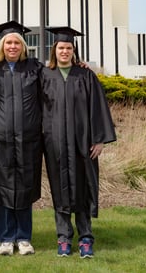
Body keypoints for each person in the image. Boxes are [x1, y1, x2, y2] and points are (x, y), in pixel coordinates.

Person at [41, 26, 116, 259]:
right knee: (59, 189)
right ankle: (63, 237)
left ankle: (85, 237)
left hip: (83, 144)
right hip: (55, 144)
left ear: (74, 51)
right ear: (54, 49)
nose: (65, 51)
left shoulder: (85, 75)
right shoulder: (44, 75)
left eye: (69, 48)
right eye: (61, 47)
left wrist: (100, 140)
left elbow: (98, 108)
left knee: (83, 188)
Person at [0, 20, 43, 256]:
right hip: (0, 139)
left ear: (23, 46)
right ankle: (6, 238)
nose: (12, 46)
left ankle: (24, 238)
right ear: (1, 45)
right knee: (3, 188)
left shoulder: (35, 69)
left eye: (16, 42)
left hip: (28, 139)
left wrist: (80, 64)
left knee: (25, 188)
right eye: (8, 42)